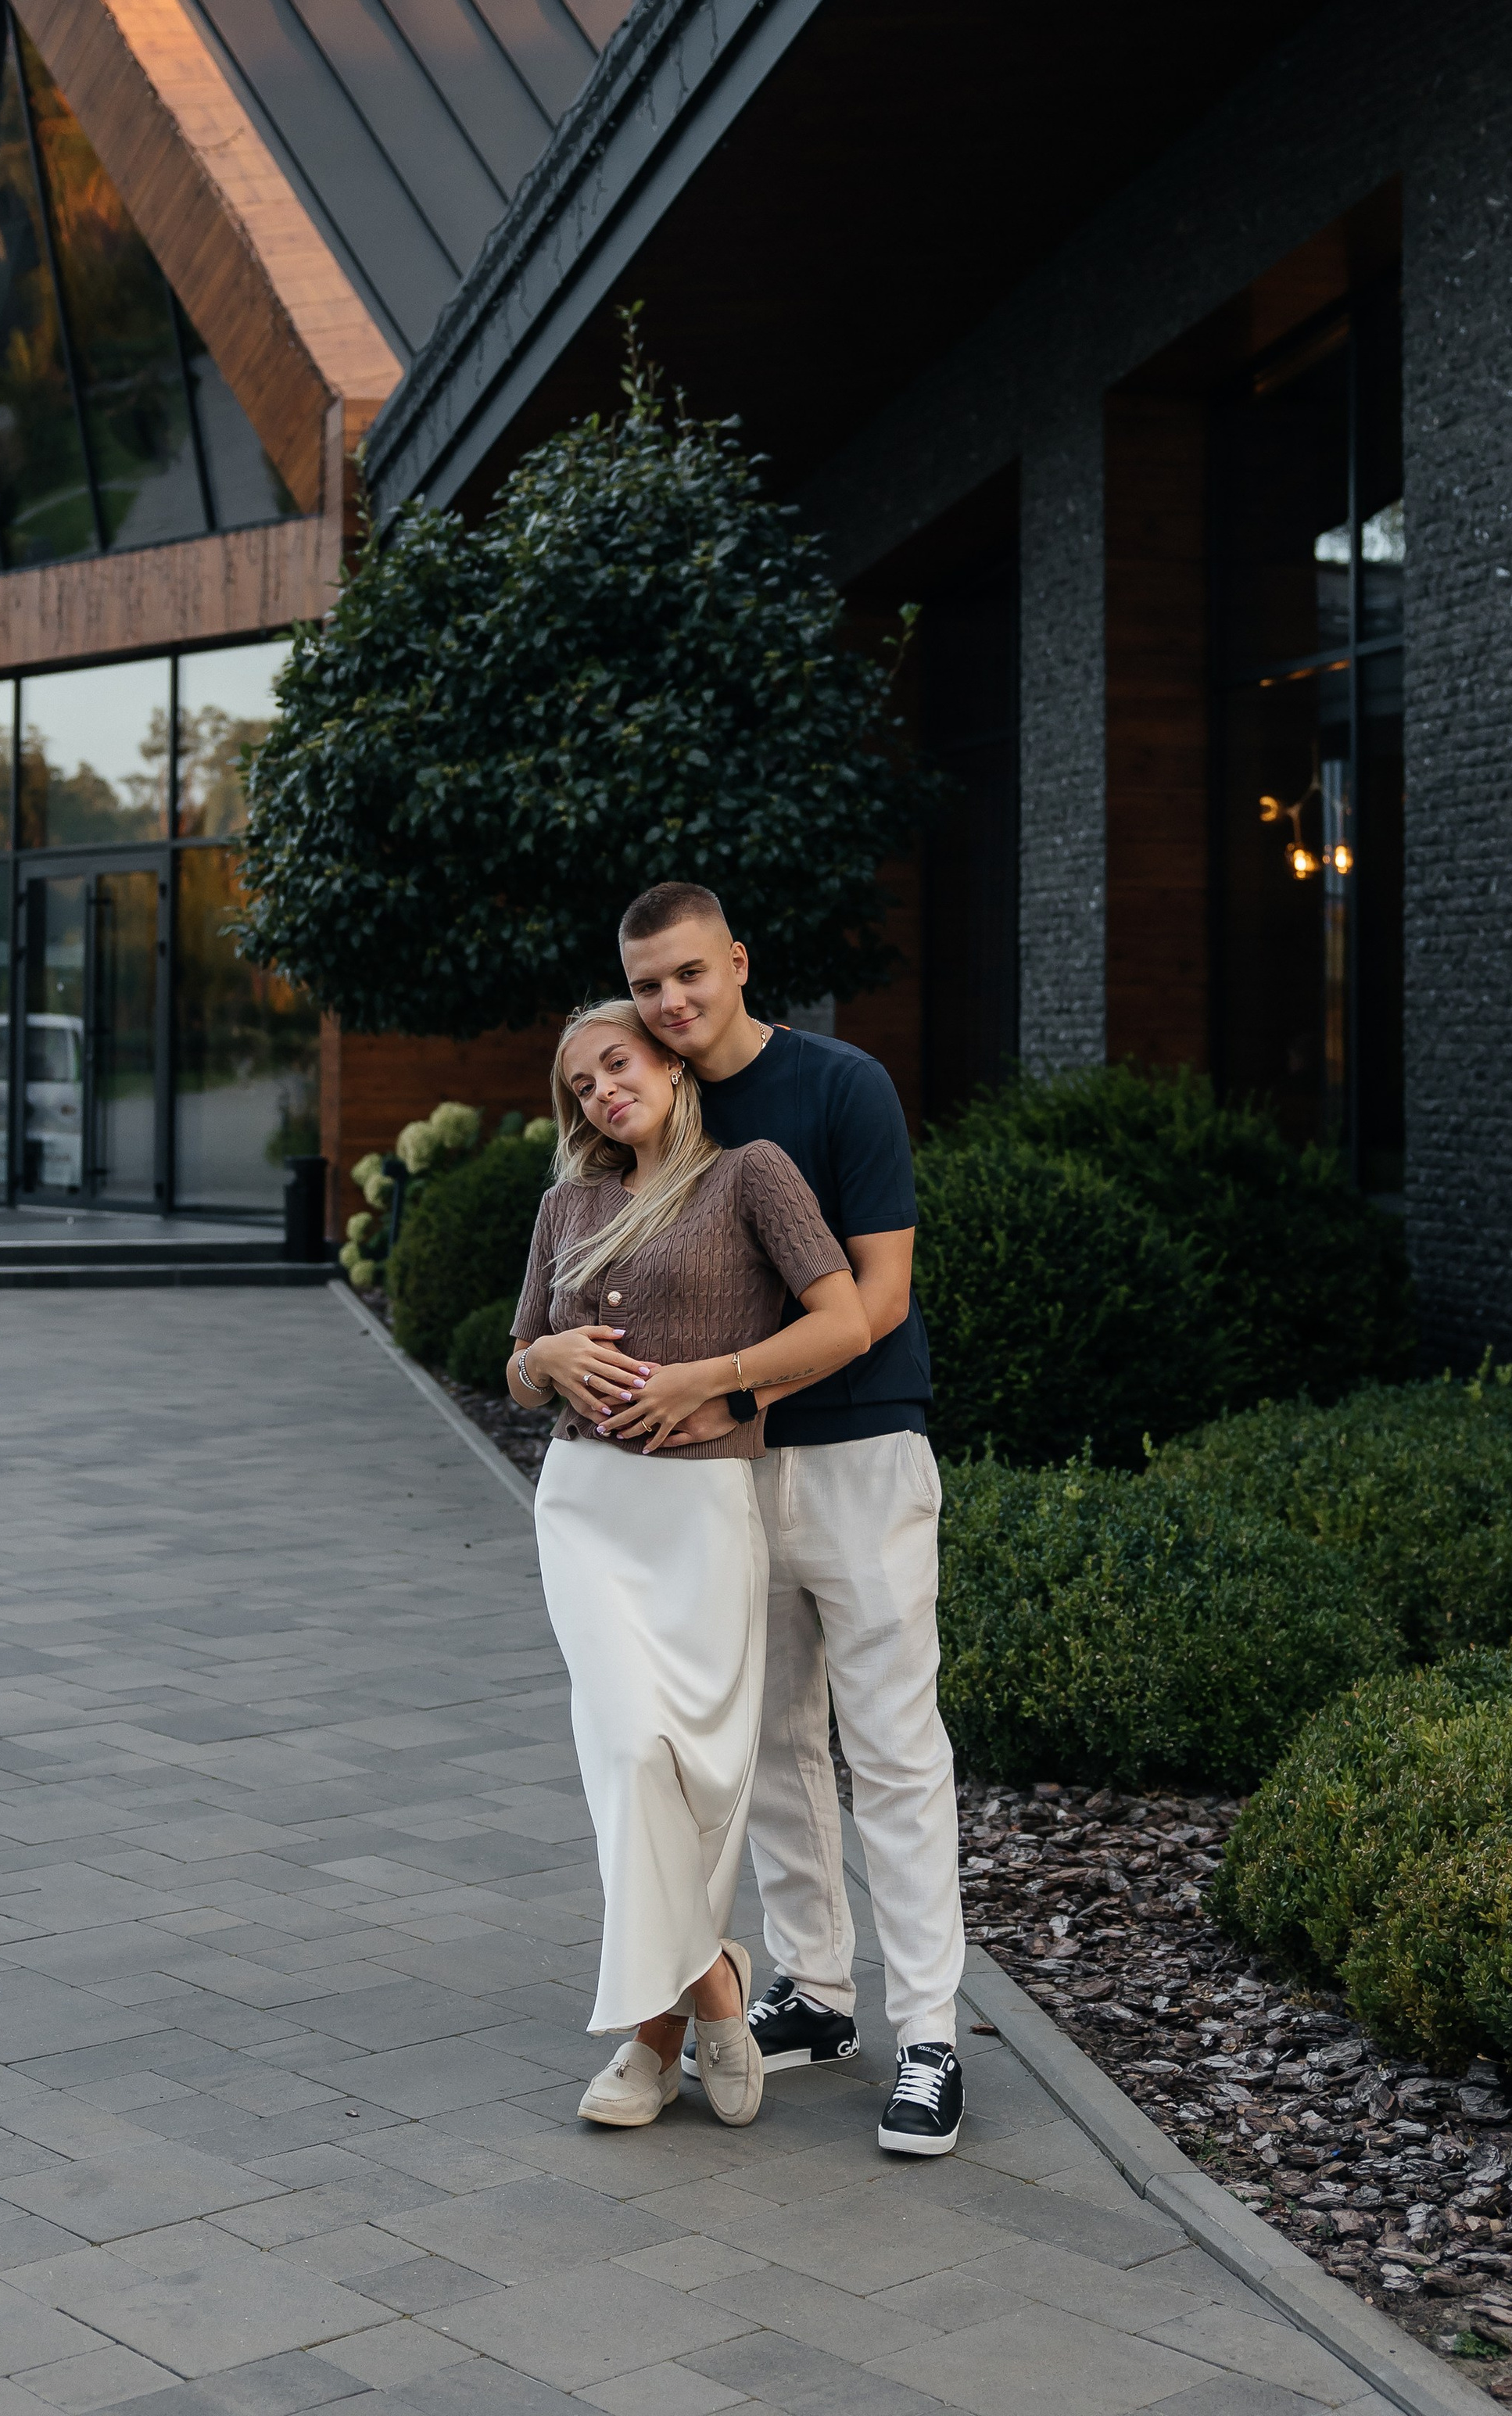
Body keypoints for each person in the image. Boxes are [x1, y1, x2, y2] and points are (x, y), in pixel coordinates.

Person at [549, 880, 967, 2159]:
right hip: (712, 1490)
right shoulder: (649, 1104)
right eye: (650, 985)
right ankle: (817, 1990)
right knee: (768, 1747)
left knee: (892, 1743)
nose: (672, 1004)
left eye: (690, 974)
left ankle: (934, 2035)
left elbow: (877, 1299)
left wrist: (717, 1383)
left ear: (737, 961)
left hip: (855, 1452)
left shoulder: (842, 1088)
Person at [506, 998, 869, 2133]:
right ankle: (709, 1981)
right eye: (580, 1085)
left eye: (615, 1064)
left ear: (668, 1063)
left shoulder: (751, 1174)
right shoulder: (566, 1204)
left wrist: (718, 1381)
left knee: (699, 1778)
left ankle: (656, 2045)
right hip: (587, 1509)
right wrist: (548, 1358)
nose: (601, 1091)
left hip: (707, 1509)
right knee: (627, 1751)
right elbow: (516, 1363)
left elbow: (845, 1320)